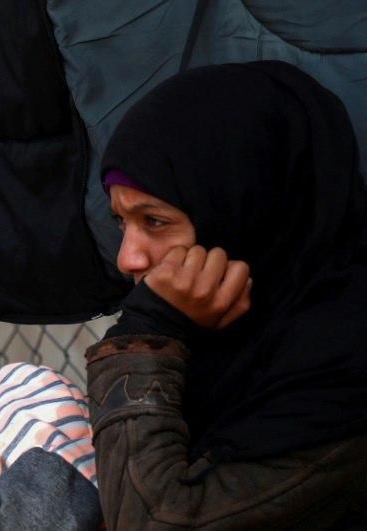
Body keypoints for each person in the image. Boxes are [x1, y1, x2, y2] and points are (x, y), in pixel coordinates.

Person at [89, 61, 367, 529]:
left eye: (154, 222)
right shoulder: (229, 353)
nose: (128, 259)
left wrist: (146, 331)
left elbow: (156, 519)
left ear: (249, 210)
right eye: (122, 222)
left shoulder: (342, 375)